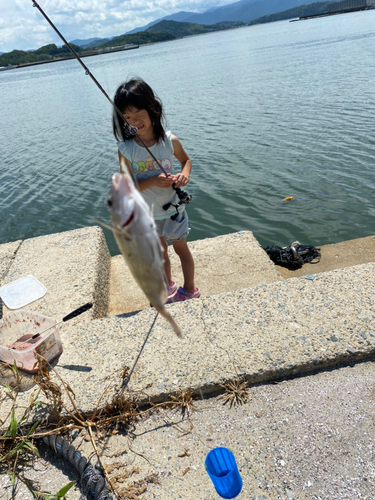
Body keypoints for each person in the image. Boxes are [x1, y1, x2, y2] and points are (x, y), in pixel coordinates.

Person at [112, 77, 200, 303]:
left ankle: (189, 289)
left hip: (174, 210)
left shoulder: (170, 141)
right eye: (127, 117)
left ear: (153, 109)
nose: (134, 121)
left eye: (138, 113)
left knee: (182, 251)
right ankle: (168, 288)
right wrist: (151, 180)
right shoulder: (126, 149)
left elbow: (186, 161)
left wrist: (184, 175)